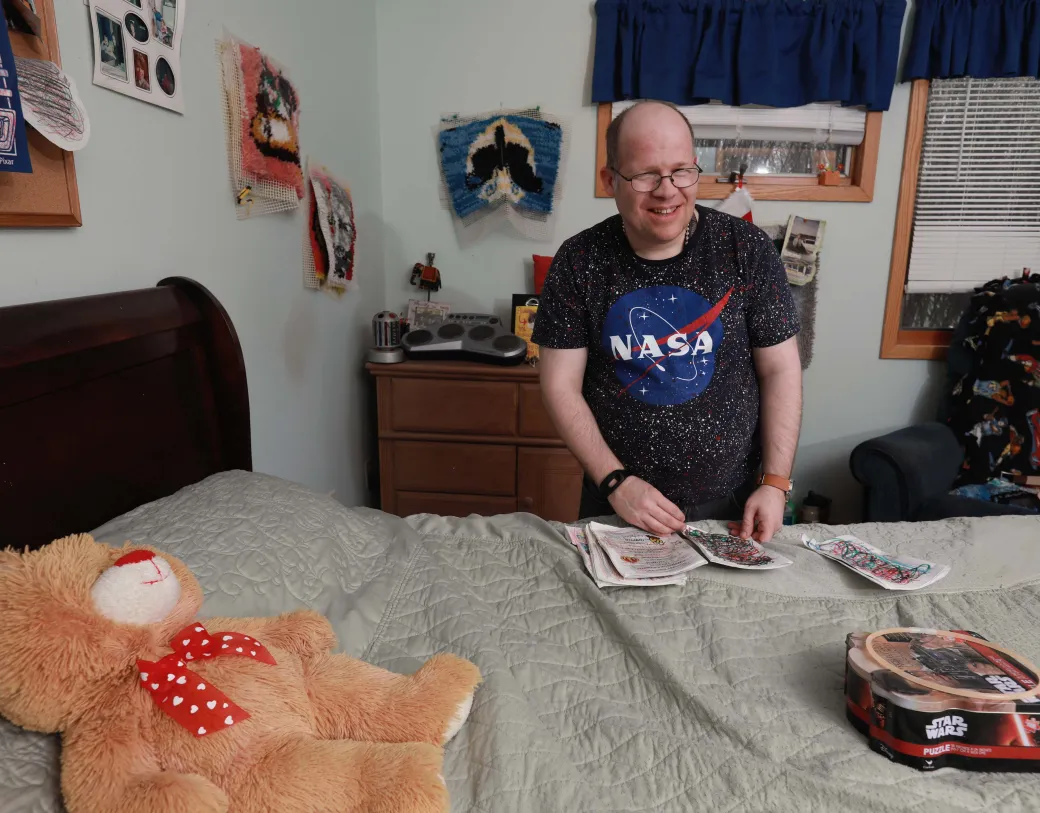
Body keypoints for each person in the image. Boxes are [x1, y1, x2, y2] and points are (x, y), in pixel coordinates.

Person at [531, 100, 802, 543]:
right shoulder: (578, 261)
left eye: (681, 170)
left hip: (735, 498)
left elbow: (781, 369)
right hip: (618, 497)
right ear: (610, 180)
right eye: (645, 175)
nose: (667, 190)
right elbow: (559, 386)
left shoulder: (746, 250)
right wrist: (615, 482)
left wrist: (775, 483)